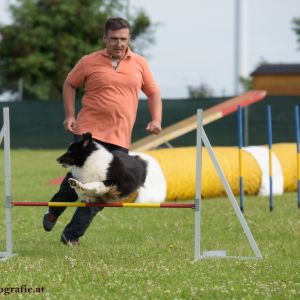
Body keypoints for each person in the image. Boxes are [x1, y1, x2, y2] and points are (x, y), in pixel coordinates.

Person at [43, 17, 162, 246]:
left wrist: (156, 119)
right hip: (89, 132)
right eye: (114, 39)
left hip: (120, 137)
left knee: (106, 190)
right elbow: (69, 84)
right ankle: (54, 211)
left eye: (124, 39)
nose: (119, 43)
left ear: (129, 39)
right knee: (79, 179)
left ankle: (71, 234)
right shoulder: (89, 61)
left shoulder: (140, 64)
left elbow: (154, 93)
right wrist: (69, 115)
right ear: (105, 39)